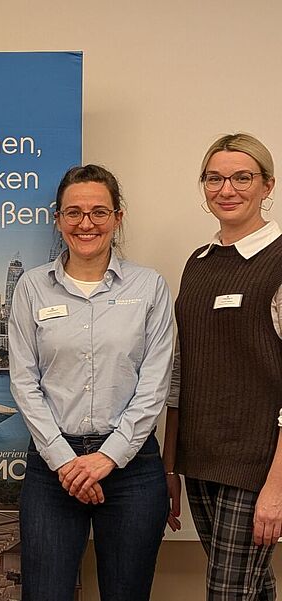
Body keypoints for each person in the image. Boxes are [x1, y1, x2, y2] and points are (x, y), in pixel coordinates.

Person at [8, 164, 173, 600]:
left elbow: (154, 386)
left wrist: (107, 458)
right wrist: (65, 461)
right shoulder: (31, 288)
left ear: (118, 218)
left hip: (132, 469)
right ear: (58, 218)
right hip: (52, 469)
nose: (86, 223)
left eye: (99, 212)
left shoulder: (149, 286)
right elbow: (24, 383)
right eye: (74, 212)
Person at [163, 133, 282, 599]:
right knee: (252, 589)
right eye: (214, 178)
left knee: (227, 593)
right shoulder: (199, 262)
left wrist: (276, 487)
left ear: (267, 185)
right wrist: (170, 466)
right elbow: (182, 370)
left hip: (256, 464)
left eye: (241, 177)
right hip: (201, 458)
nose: (226, 189)